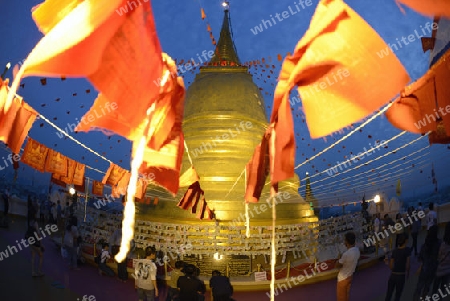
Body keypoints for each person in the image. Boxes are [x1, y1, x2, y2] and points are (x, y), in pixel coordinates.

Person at [413, 225, 441, 301]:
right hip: (433, 268)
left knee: (419, 287)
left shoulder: (425, 245)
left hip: (425, 268)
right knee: (427, 287)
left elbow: (420, 258)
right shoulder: (439, 243)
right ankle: (423, 298)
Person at [334, 232, 360, 301]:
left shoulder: (346, 254)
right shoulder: (357, 250)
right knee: (346, 295)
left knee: (341, 298)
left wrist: (338, 259)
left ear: (346, 242)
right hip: (350, 276)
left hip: (342, 279)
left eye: (344, 240)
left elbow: (336, 265)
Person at [384, 233, 411, 301]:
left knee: (389, 294)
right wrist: (407, 272)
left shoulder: (395, 251)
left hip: (393, 275)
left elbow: (391, 265)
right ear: (406, 241)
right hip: (401, 275)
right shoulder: (407, 250)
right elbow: (407, 265)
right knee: (398, 295)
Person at [433, 222, 450, 295]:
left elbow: (438, 256)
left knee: (435, 287)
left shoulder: (442, 244)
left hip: (439, 269)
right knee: (443, 287)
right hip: (448, 269)